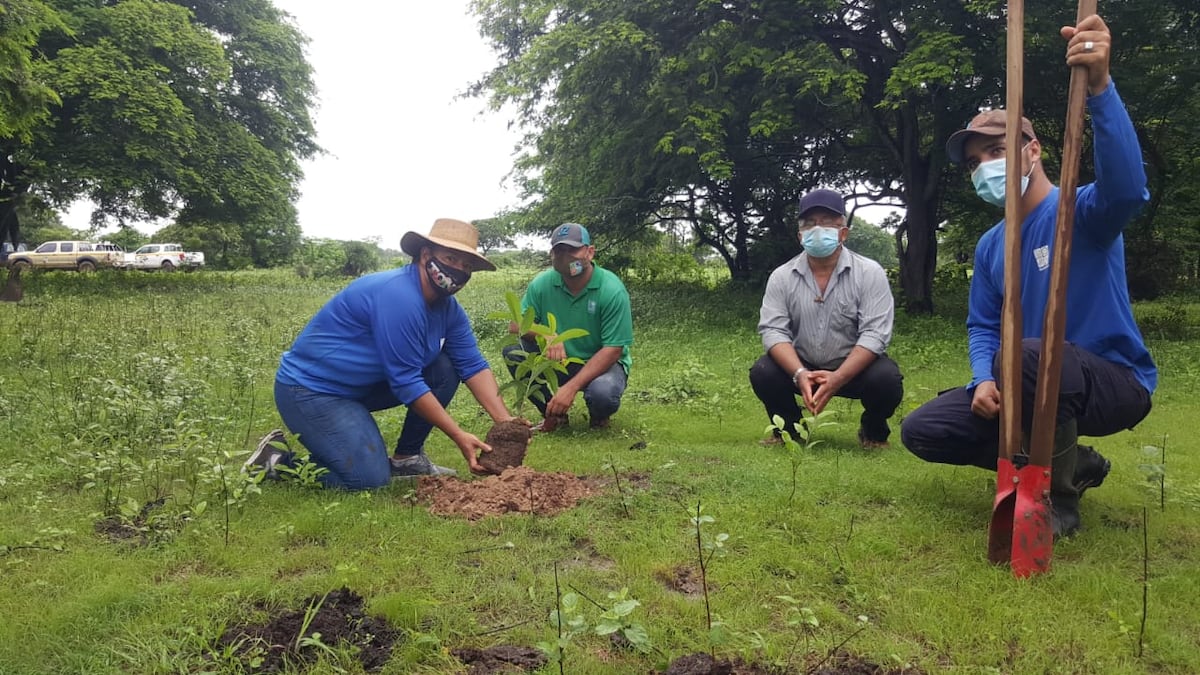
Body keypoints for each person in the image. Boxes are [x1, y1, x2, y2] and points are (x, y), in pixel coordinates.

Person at [901, 14, 1154, 538]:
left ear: (1033, 151)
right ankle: (1072, 463)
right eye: (974, 162)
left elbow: (1127, 190)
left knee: (1032, 352)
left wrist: (1101, 86)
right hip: (1026, 376)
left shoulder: (1079, 211)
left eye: (996, 152)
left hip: (1110, 381)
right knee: (923, 429)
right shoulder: (992, 245)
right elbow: (981, 325)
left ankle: (1055, 497)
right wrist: (983, 379)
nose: (984, 167)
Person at [245, 218, 519, 489]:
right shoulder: (399, 296)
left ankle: (407, 459)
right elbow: (406, 381)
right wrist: (458, 435)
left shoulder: (449, 310)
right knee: (368, 479)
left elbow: (472, 365)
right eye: (450, 258)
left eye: (467, 265)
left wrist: (507, 423)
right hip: (312, 391)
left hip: (362, 387)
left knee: (444, 369)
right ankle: (276, 461)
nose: (458, 270)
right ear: (425, 255)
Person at [750, 189, 903, 449]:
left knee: (886, 379)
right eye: (809, 223)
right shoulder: (782, 276)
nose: (817, 229)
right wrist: (799, 373)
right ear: (800, 236)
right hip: (802, 365)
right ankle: (789, 430)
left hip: (854, 367)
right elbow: (773, 331)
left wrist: (839, 377)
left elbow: (875, 335)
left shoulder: (869, 273)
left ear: (843, 232)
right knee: (763, 371)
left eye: (826, 222)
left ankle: (873, 432)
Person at [502, 223, 633, 431]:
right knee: (513, 351)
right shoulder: (542, 284)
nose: (566, 257)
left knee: (603, 395)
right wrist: (547, 336)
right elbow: (516, 325)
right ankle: (553, 415)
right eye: (559, 251)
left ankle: (599, 416)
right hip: (558, 361)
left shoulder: (611, 289)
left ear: (589, 252)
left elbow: (613, 349)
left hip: (601, 363)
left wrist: (570, 388)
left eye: (572, 250)